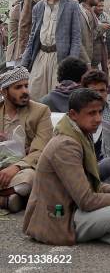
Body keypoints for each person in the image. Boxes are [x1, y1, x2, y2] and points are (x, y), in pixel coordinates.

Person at [23, 88, 110, 245]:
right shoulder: (66, 145)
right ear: (73, 114)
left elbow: (91, 183)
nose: (98, 119)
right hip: (62, 217)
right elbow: (86, 201)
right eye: (91, 113)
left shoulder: (81, 134)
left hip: (78, 207)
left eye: (99, 112)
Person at [21, 0, 81, 101]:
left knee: (58, 97)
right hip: (40, 57)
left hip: (60, 58)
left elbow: (76, 38)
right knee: (34, 95)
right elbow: (33, 37)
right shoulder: (39, 7)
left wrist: (70, 66)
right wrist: (24, 63)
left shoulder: (73, 5)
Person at [0, 67, 52, 212]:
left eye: (26, 86)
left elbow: (41, 150)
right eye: (18, 87)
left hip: (24, 169)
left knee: (27, 181)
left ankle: (8, 197)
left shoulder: (41, 111)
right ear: (4, 91)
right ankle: (6, 199)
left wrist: (16, 167)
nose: (25, 91)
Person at [78, 0, 100, 70]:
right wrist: (102, 28)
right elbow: (89, 35)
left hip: (93, 60)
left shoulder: (91, 11)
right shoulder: (85, 12)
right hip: (88, 60)